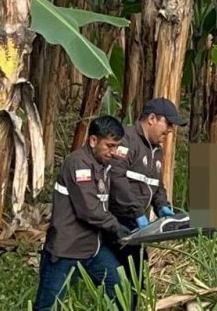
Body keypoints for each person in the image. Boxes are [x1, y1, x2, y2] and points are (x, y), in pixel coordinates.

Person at [34, 115, 131, 311]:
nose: (113, 152)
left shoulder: (104, 165)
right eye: (109, 146)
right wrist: (117, 228)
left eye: (116, 146)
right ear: (93, 140)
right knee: (48, 306)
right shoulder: (78, 164)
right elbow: (89, 211)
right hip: (66, 250)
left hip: (93, 249)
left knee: (121, 291)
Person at [108, 98, 187, 309]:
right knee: (119, 274)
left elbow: (156, 184)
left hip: (135, 224)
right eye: (168, 124)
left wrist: (162, 205)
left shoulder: (156, 151)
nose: (170, 130)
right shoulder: (126, 140)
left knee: (137, 272)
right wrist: (136, 213)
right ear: (152, 119)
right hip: (116, 221)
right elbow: (116, 178)